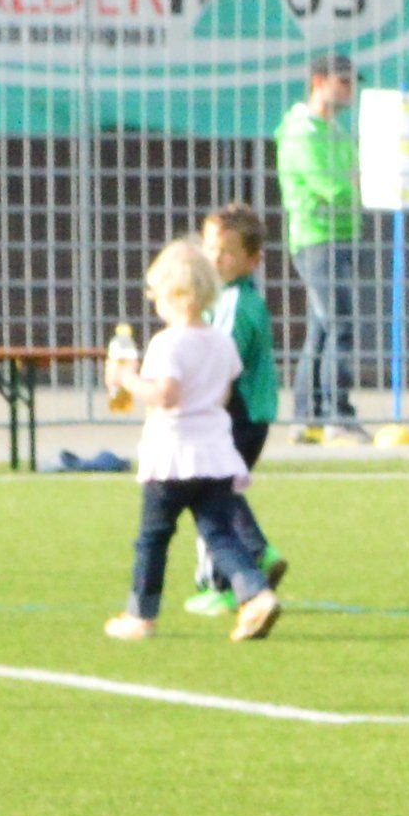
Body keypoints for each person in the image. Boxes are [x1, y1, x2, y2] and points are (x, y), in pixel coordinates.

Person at [101, 234, 283, 648]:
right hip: (215, 454)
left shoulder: (168, 343)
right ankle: (255, 593)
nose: (154, 302)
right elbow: (224, 392)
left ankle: (140, 614)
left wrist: (128, 379)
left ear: (176, 295)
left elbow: (165, 395)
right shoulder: (219, 341)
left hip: (172, 455)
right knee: (219, 533)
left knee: (153, 537)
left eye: (156, 294)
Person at [179, 209, 283, 626]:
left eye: (225, 252)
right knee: (219, 490)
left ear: (252, 261)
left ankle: (222, 585)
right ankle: (258, 551)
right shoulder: (230, 299)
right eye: (209, 248)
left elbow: (219, 363)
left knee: (207, 493)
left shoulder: (234, 304)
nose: (213, 258)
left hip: (237, 414)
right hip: (247, 414)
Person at [276, 58, 365, 441]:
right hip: (317, 237)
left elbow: (349, 181)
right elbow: (331, 187)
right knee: (338, 325)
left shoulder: (335, 131)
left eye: (351, 82)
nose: (349, 89)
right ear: (318, 81)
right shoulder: (302, 131)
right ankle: (335, 415)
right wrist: (361, 185)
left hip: (340, 234)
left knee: (323, 327)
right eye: (342, 81)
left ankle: (306, 416)